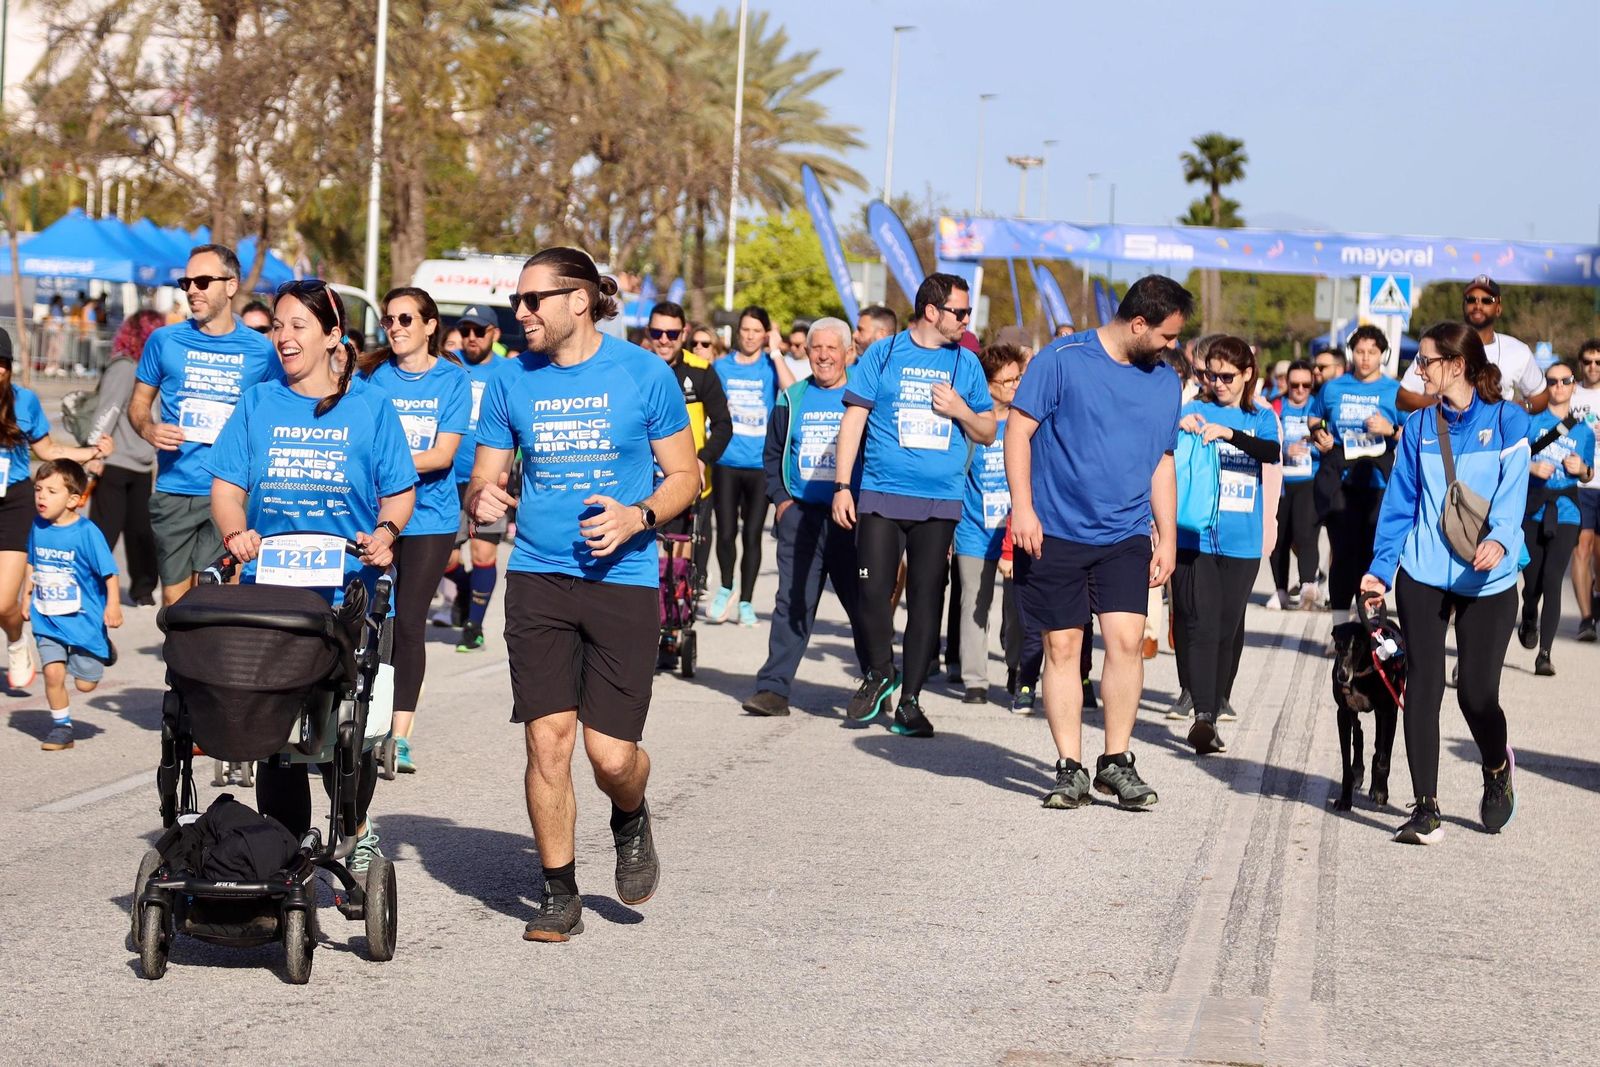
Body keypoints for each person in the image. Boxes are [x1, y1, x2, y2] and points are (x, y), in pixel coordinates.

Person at [467, 247, 697, 943]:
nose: (521, 311)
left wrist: (639, 516)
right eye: (518, 300)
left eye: (533, 299)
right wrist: (485, 496)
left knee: (611, 756)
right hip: (537, 575)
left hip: (622, 579)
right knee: (548, 742)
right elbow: (484, 480)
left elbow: (685, 474)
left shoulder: (642, 373)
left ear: (580, 300)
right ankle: (558, 890)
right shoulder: (511, 379)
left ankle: (630, 814)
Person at [207, 279, 418, 883]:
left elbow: (399, 491)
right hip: (272, 592)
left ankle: (353, 830)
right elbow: (226, 487)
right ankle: (287, 846)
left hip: (347, 590)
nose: (284, 337)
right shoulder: (258, 402)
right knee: (278, 727)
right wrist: (235, 533)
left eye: (299, 325)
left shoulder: (371, 406)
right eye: (277, 325)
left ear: (333, 337)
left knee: (345, 727)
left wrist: (384, 532)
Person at [1006, 275, 1192, 809]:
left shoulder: (1163, 382)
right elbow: (1018, 430)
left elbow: (1163, 460)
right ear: (1138, 324)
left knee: (1127, 643)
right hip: (1055, 530)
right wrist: (1023, 508)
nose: (1172, 347)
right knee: (1063, 648)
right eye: (1167, 336)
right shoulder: (1061, 360)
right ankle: (1070, 767)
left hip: (1125, 534)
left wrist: (1168, 535)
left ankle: (1115, 761)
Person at [1361, 321, 1529, 845]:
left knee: (1477, 695)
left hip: (1489, 578)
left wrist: (1501, 538)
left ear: (1456, 365)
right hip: (1425, 572)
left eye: (1426, 361)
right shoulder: (1416, 428)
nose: (1418, 370)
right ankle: (1426, 807)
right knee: (1423, 688)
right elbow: (1398, 506)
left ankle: (1497, 770)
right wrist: (1380, 569)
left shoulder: (1508, 421)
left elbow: (1513, 493)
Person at [833, 272, 996, 737]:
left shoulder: (965, 363)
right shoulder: (883, 354)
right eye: (960, 312)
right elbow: (854, 421)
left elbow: (987, 432)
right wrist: (843, 485)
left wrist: (960, 411)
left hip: (939, 501)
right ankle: (882, 670)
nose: (966, 321)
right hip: (882, 495)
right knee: (871, 592)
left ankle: (911, 701)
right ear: (932, 311)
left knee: (926, 599)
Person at [130, 244, 282, 607]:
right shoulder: (164, 341)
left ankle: (211, 664)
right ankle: (183, 665)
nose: (192, 290)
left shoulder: (260, 351)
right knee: (175, 604)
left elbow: (275, 413)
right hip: (175, 488)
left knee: (216, 600)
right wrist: (149, 429)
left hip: (230, 492)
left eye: (202, 281)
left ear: (231, 286)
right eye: (187, 282)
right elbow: (137, 404)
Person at [358, 287, 472, 772]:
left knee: (407, 622)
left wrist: (387, 468)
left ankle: (399, 734)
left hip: (429, 518)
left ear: (430, 325)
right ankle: (359, 717)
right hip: (377, 513)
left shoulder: (452, 380)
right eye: (389, 320)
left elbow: (444, 455)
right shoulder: (372, 378)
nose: (397, 327)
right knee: (365, 617)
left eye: (407, 319)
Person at [742, 317, 870, 716]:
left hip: (851, 520)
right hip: (802, 517)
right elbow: (771, 453)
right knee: (792, 601)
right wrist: (781, 500)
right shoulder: (792, 397)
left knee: (864, 604)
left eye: (833, 348)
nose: (824, 355)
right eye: (817, 348)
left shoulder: (863, 397)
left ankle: (878, 679)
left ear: (848, 352)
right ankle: (773, 689)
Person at [1172, 337, 1280, 755]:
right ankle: (1203, 715)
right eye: (1210, 375)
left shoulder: (1260, 415)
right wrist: (1175, 428)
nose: (1217, 383)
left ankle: (1215, 707)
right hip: (1195, 536)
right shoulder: (1192, 409)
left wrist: (1231, 434)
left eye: (1226, 376)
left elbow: (1270, 452)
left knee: (1225, 628)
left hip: (1242, 542)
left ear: (1248, 374)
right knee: (1199, 623)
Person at [0, 332, 112, 689]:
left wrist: (92, 452)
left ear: (7, 367)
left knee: (5, 604)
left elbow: (47, 450)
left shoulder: (24, 402)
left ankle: (17, 642)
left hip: (13, 503)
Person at [709, 305, 794, 626]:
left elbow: (792, 390)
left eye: (756, 331)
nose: (749, 335)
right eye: (745, 329)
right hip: (727, 461)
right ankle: (726, 586)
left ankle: (746, 600)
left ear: (765, 334)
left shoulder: (771, 368)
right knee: (727, 532)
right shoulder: (721, 367)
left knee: (753, 535)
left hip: (760, 466)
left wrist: (775, 351)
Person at [646, 300, 730, 624]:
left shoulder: (701, 371)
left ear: (684, 333)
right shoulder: (633, 368)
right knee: (643, 561)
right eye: (657, 332)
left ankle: (671, 625)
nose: (664, 339)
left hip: (686, 484)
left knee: (676, 563)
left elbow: (724, 424)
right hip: (641, 482)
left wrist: (701, 459)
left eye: (671, 332)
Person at [29, 460, 122, 751]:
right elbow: (32, 562)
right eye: (38, 489)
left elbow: (110, 572)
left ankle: (101, 648)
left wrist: (114, 606)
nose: (41, 496)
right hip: (47, 617)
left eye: (51, 491)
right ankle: (61, 728)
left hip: (84, 620)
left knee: (85, 684)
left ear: (73, 500)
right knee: (54, 673)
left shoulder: (87, 532)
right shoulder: (37, 526)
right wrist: (24, 596)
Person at [1311, 325, 1400, 624]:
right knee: (1342, 554)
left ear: (1382, 355)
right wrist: (1319, 435)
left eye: (1372, 353)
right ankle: (1339, 628)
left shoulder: (1394, 390)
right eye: (1360, 352)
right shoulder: (1335, 387)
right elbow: (1315, 417)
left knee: (1370, 558)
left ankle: (1368, 628)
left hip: (1378, 482)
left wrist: (1390, 430)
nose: (1365, 359)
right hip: (1341, 480)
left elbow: (1411, 431)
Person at [951, 343, 1025, 704]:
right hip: (973, 527)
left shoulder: (1023, 421)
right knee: (973, 604)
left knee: (1016, 606)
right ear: (988, 382)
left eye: (1018, 378)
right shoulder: (972, 421)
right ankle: (975, 680)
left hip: (1016, 527)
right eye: (1007, 379)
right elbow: (956, 473)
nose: (1014, 385)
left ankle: (1015, 667)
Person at [1517, 361, 1594, 675]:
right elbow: (1513, 459)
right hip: (1533, 506)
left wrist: (1582, 470)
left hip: (1567, 511)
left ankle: (1544, 654)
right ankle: (1530, 611)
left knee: (1552, 580)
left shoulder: (1584, 430)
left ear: (1574, 385)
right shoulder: (1531, 422)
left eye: (1565, 381)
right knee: (1533, 581)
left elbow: (1589, 472)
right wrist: (1532, 467)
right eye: (1552, 381)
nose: (1559, 386)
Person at [89, 309, 162, 606]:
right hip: (115, 462)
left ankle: (143, 589)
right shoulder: (125, 368)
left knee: (141, 532)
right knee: (104, 531)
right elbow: (106, 411)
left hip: (143, 463)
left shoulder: (154, 372)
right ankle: (92, 584)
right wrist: (94, 452)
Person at [1398, 276, 1546, 414]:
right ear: (1463, 305)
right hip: (1446, 433)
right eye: (1471, 299)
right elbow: (1403, 397)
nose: (1478, 305)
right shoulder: (1438, 345)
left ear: (1499, 308)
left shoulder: (1518, 351)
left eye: (1487, 300)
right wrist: (1445, 408)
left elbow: (1541, 396)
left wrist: (1519, 408)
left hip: (1495, 436)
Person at [1268, 359, 1321, 610]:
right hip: (1280, 480)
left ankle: (1308, 584)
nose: (1300, 390)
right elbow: (1264, 439)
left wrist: (1311, 446)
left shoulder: (1318, 406)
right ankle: (1280, 590)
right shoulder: (1276, 406)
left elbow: (1328, 440)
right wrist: (1283, 449)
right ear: (1286, 383)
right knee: (1279, 538)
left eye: (1306, 385)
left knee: (1305, 533)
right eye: (1295, 384)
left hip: (1309, 479)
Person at [1565, 338, 1600, 640]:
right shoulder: (1571, 395)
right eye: (1587, 361)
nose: (1592, 367)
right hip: (1579, 483)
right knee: (1582, 547)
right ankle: (1586, 619)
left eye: (1598, 362)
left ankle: (1596, 592)